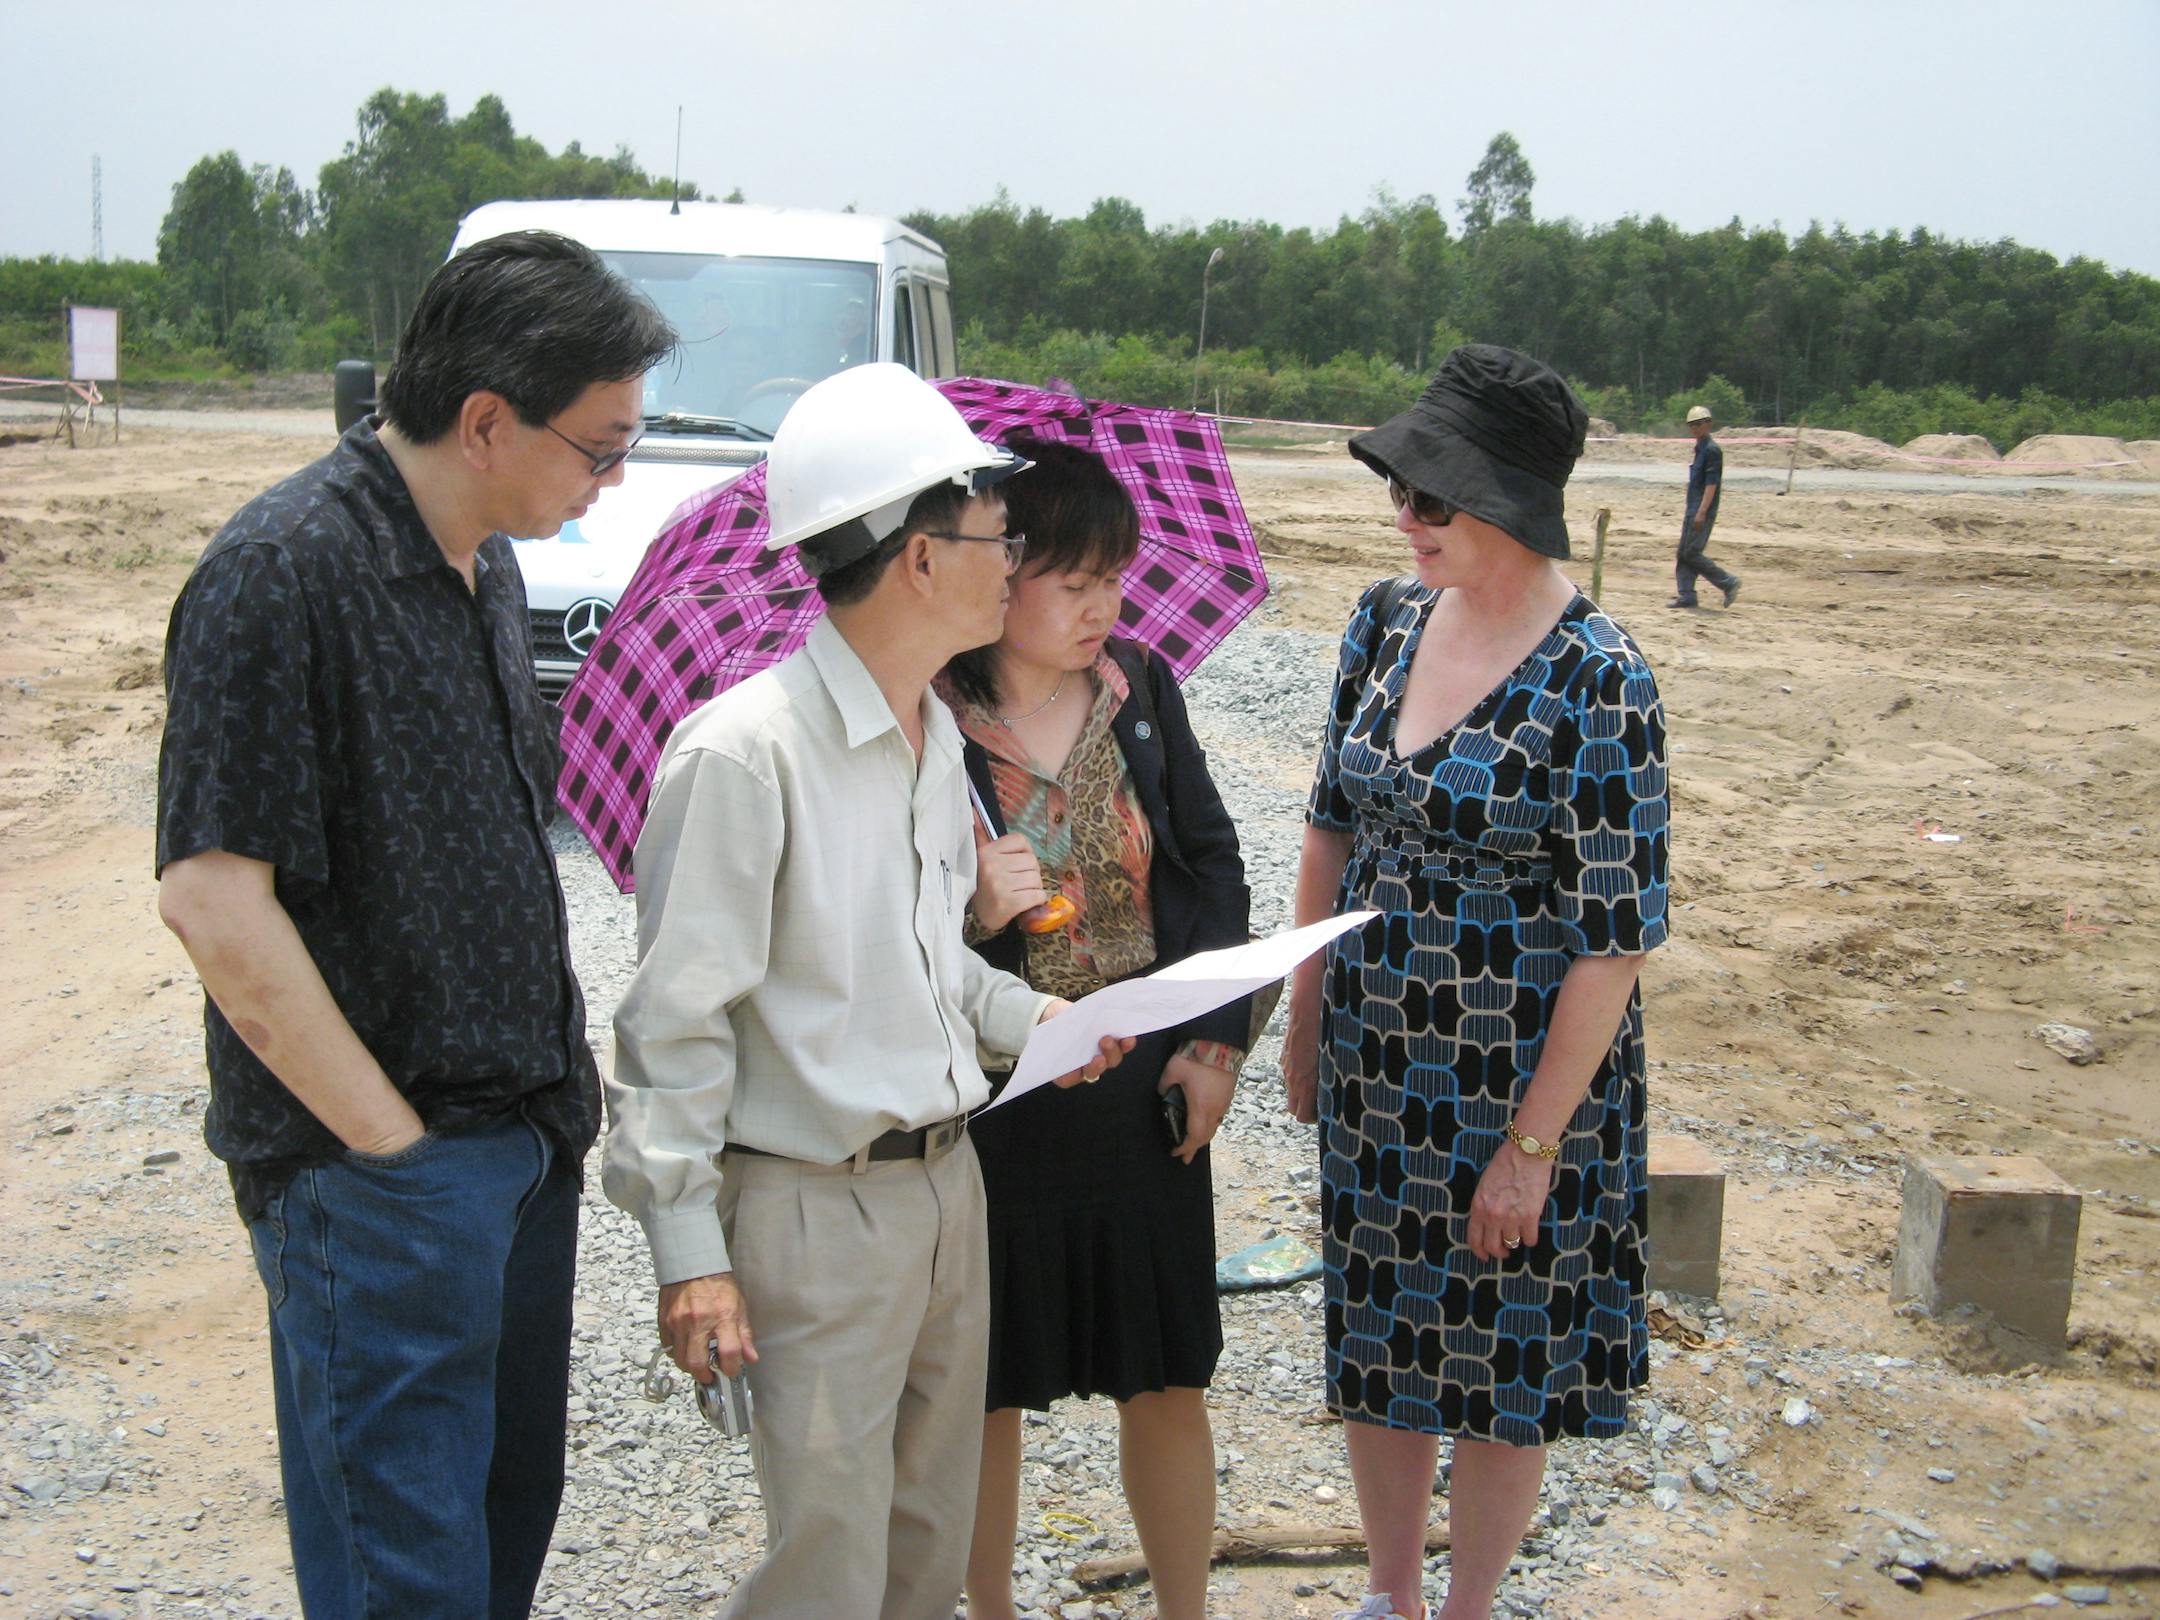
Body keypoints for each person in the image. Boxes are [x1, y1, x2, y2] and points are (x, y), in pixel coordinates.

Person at [155, 230, 676, 1617]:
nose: (613, 479)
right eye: (600, 445)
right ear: (488, 419)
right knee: (408, 1579)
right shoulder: (283, 572)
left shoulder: (488, 567)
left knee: (497, 1545)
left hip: (519, 1149)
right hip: (379, 1180)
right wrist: (386, 1147)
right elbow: (212, 895)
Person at [602, 364, 1132, 1620]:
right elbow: (672, 1025)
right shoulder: (744, 754)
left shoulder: (930, 733)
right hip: (813, 1212)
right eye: (995, 534)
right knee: (826, 1568)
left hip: (949, 1191)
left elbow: (922, 962)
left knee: (924, 1553)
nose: (1013, 559)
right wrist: (691, 1257)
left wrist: (1030, 1018)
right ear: (915, 554)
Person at [1283, 345, 1670, 1620]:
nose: (1406, 518)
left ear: (1509, 500)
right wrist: (1302, 1019)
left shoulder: (1602, 679)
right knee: (1381, 1338)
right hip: (1379, 1069)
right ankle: (1391, 1597)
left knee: (1507, 1363)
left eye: (1432, 498)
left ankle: (1468, 1609)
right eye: (1401, 490)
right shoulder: (1385, 619)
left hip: (1521, 1085)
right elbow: (1330, 828)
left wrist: (1534, 1146)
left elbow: (1614, 938)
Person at [937, 441, 1254, 1620]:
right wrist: (978, 909)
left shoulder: (1145, 693)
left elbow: (1214, 869)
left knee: (1166, 1373)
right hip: (998, 1104)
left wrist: (1212, 1045)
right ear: (998, 574)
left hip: (1147, 1099)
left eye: (1114, 580)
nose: (1102, 609)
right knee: (984, 1385)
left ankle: (1185, 1609)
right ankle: (990, 1608)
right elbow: (893, 941)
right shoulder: (932, 720)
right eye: (1075, 584)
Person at [1670, 403, 1740, 608]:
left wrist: (1701, 512)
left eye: (1698, 424)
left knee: (1691, 552)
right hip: (1693, 507)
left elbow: (1712, 484)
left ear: (1709, 424)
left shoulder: (1712, 450)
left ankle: (1728, 582)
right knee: (1683, 552)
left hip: (1702, 510)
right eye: (1691, 425)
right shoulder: (1700, 449)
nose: (1695, 429)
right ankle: (1687, 594)